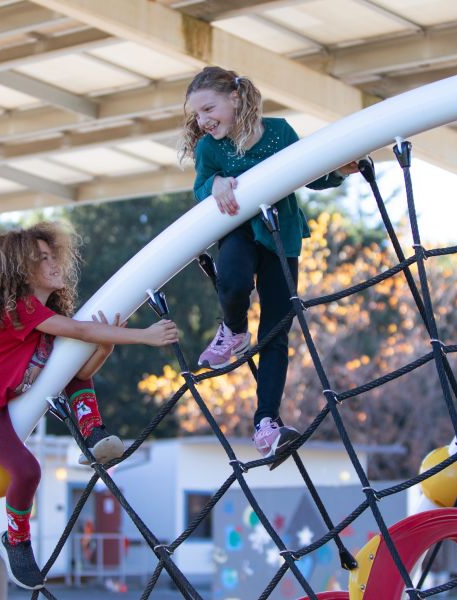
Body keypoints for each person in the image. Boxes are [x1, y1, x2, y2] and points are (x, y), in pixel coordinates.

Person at [0, 223, 177, 590]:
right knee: (26, 470)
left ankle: (92, 433)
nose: (54, 264)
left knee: (70, 365)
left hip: (2, 401)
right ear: (20, 271)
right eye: (42, 259)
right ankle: (16, 540)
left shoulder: (42, 323)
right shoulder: (21, 310)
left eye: (54, 256)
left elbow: (80, 370)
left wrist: (105, 346)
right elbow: (85, 331)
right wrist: (144, 337)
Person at [178, 66, 357, 462]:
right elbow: (201, 188)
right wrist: (217, 185)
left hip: (281, 237)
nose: (204, 121)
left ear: (235, 98)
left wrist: (339, 172)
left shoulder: (279, 133)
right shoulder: (210, 149)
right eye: (197, 115)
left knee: (276, 331)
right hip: (241, 230)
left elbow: (310, 174)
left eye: (209, 108)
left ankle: (266, 423)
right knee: (233, 280)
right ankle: (234, 328)